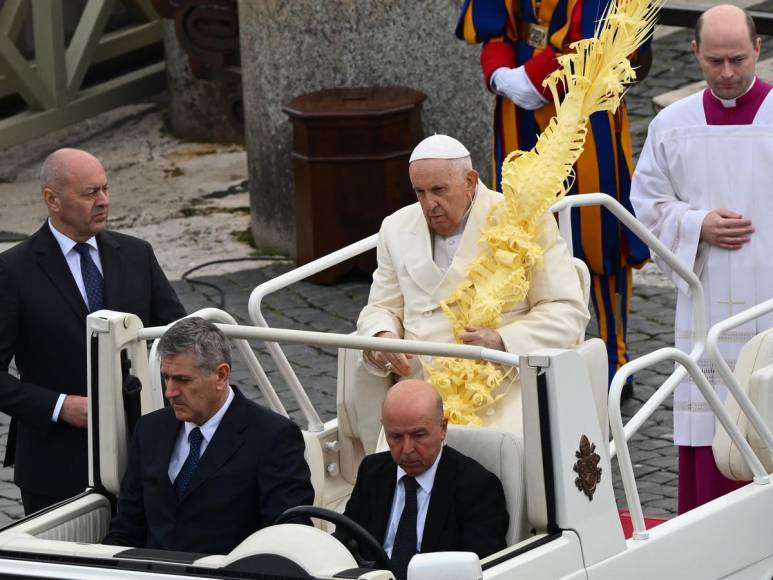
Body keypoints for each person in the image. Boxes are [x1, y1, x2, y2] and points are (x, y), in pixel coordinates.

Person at [455, 0, 651, 397]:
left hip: (586, 99)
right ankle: (534, 349)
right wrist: (500, 74)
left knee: (600, 233)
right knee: (520, 232)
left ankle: (616, 356)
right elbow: (495, 26)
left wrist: (534, 79)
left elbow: (600, 37)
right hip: (518, 107)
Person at [630, 5, 769, 513]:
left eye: (737, 59)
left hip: (770, 301)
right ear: (694, 54)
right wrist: (696, 225)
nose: (728, 73)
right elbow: (646, 205)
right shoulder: (672, 125)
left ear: (759, 49)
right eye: (715, 62)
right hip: (707, 304)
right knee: (712, 434)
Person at [357, 134, 588, 431]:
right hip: (418, 387)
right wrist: (383, 336)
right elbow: (380, 306)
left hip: (497, 386)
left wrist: (501, 340)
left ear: (470, 181)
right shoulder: (395, 227)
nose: (430, 205)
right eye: (420, 193)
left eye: (439, 190)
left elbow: (567, 311)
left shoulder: (523, 219)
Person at [0, 148, 186, 515]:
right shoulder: (12, 271)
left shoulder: (137, 254)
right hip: (57, 465)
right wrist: (60, 407)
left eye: (105, 189)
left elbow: (178, 337)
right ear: (52, 199)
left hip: (147, 452)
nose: (103, 201)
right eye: (89, 193)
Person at [103, 317, 314, 554]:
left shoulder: (273, 437)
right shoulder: (150, 430)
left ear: (221, 376)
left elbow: (288, 536)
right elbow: (127, 527)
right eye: (166, 377)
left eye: (182, 380)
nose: (169, 392)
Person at [341, 380, 508, 580]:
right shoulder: (372, 471)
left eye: (418, 435)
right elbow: (344, 541)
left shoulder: (477, 487)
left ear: (443, 428)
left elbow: (479, 569)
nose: (407, 449)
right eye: (396, 437)